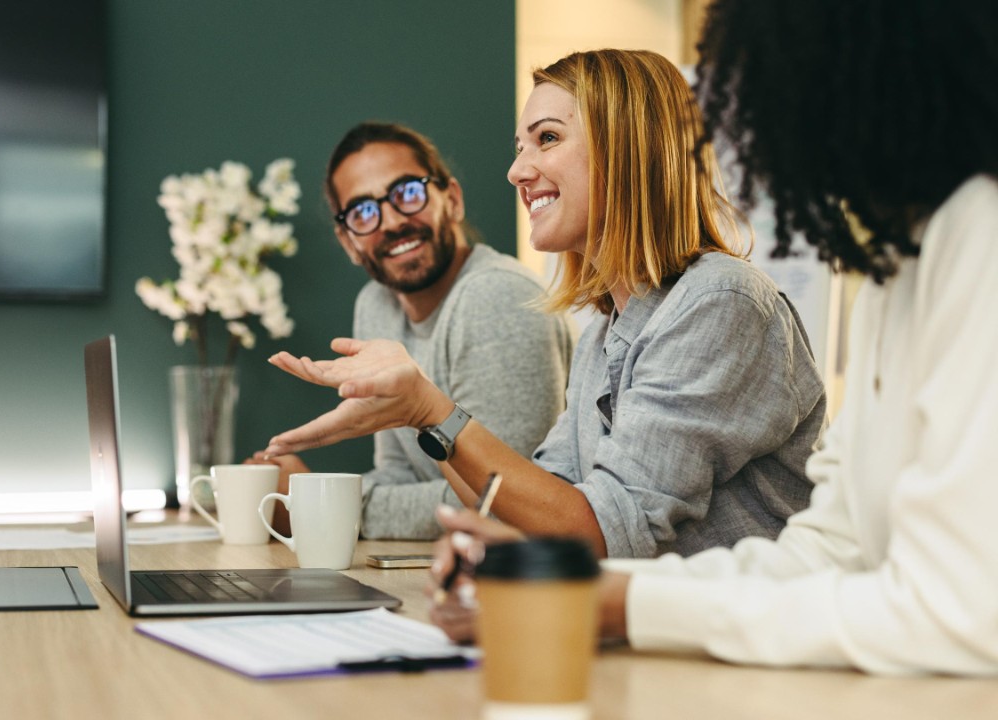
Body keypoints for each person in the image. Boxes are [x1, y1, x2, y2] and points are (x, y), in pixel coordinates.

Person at [433, 0, 998, 675]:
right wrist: (574, 583)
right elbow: (826, 551)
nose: (753, 121)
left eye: (546, 140)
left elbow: (960, 617)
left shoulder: (977, 235)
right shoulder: (895, 267)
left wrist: (622, 606)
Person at [264, 49, 826, 560]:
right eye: (519, 148)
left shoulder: (719, 301)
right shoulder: (605, 333)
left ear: (625, 146)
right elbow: (536, 506)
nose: (516, 171)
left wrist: (427, 409)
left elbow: (603, 532)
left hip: (738, 654)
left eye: (548, 138)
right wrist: (418, 419)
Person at [255, 122, 574, 540]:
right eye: (363, 212)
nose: (390, 222)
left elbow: (505, 507)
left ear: (453, 200)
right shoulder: (376, 305)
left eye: (407, 192)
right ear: (349, 241)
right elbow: (399, 475)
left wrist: (318, 505)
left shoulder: (497, 296)